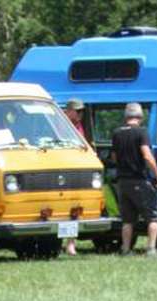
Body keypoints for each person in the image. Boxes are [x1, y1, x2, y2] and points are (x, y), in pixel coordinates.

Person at [110, 101, 157, 256]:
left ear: (126, 116)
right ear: (140, 116)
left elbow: (114, 157)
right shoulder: (141, 132)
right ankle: (151, 250)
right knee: (154, 216)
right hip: (139, 180)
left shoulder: (117, 133)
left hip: (122, 181)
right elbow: (147, 156)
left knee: (127, 219)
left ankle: (126, 250)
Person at [63, 99, 89, 255]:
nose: (81, 114)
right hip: (62, 170)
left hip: (76, 170)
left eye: (82, 111)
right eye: (78, 111)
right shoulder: (59, 124)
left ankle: (70, 244)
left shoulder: (79, 126)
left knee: (75, 208)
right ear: (69, 111)